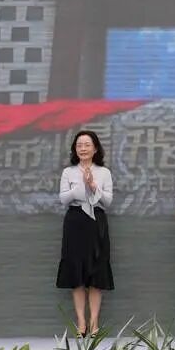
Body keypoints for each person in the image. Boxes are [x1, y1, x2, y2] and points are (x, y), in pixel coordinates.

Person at [57, 130, 114, 336]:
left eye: (87, 145)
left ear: (95, 148)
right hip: (75, 221)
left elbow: (108, 201)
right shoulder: (68, 172)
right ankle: (81, 322)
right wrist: (79, 187)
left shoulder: (104, 172)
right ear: (75, 149)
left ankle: (94, 322)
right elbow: (63, 199)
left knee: (96, 272)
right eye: (79, 145)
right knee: (77, 273)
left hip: (96, 222)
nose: (83, 148)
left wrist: (92, 185)